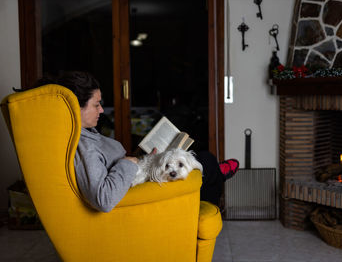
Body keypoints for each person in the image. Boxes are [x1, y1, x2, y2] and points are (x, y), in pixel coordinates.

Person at [35, 71, 239, 212]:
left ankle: (213, 180)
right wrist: (128, 163)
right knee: (206, 164)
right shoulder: (84, 147)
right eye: (96, 104)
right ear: (75, 108)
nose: (101, 110)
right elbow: (103, 199)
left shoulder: (84, 134)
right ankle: (213, 183)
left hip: (139, 169)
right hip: (139, 187)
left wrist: (138, 158)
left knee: (201, 158)